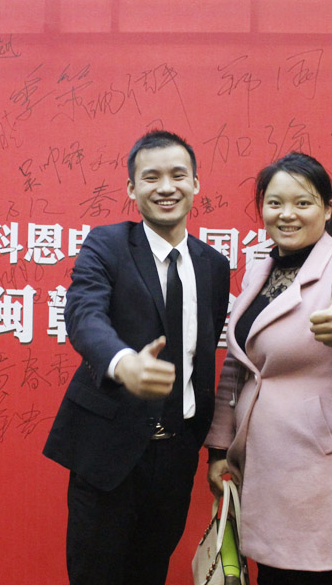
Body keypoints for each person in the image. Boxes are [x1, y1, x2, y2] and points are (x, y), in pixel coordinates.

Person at [43, 129, 231, 585]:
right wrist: (123, 362)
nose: (166, 187)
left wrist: (214, 450)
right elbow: (84, 314)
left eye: (178, 175)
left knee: (150, 573)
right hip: (109, 450)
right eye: (151, 177)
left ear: (195, 183)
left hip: (176, 456)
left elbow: (204, 361)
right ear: (132, 188)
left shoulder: (213, 265)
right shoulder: (107, 244)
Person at [204, 152, 332, 585]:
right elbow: (237, 365)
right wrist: (219, 449)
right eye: (274, 203)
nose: (286, 214)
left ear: (327, 209)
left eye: (303, 202)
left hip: (314, 471)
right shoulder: (259, 270)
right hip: (257, 465)